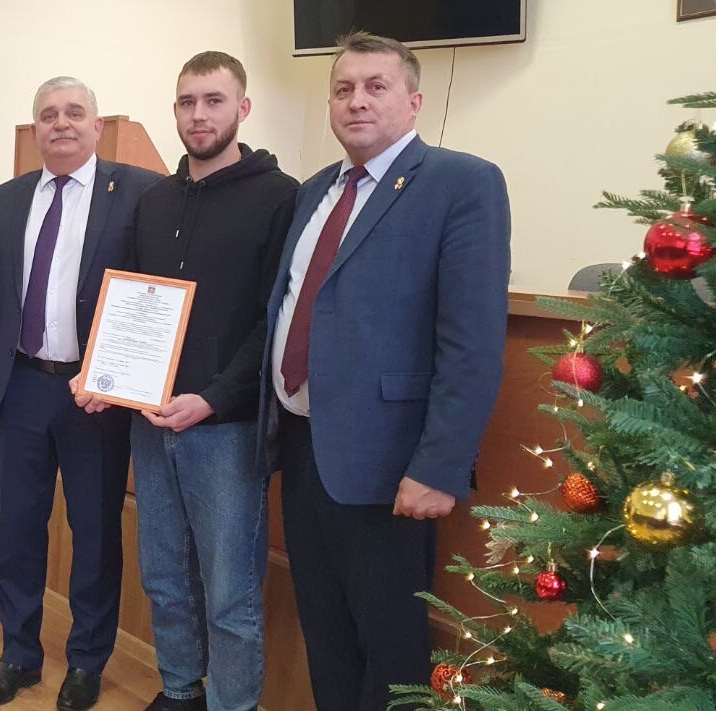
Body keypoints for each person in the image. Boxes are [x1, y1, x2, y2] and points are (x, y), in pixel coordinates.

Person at [257, 31, 510, 711]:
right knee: (326, 632)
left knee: (391, 644)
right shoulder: (314, 191)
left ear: (414, 101)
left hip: (391, 465)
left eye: (376, 87)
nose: (357, 101)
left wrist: (440, 467)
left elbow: (471, 342)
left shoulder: (462, 183)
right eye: (343, 89)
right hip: (303, 450)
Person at [76, 51, 298, 711]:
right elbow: (130, 303)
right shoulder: (155, 199)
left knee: (229, 592)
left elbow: (275, 321)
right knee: (165, 576)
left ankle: (232, 703)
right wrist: (105, 374)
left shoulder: (280, 197)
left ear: (242, 108)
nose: (198, 115)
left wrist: (213, 398)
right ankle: (179, 689)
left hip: (225, 430)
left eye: (213, 100)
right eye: (186, 101)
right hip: (150, 422)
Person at [0, 76, 160, 711]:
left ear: (97, 125)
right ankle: (18, 654)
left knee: (96, 533)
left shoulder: (140, 192)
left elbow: (151, 293)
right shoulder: (5, 200)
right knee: (17, 527)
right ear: (36, 128)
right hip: (22, 386)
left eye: (74, 113)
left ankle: (86, 660)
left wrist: (120, 376)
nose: (61, 124)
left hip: (95, 396)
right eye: (49, 114)